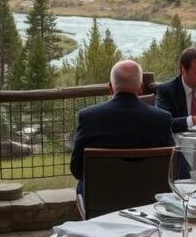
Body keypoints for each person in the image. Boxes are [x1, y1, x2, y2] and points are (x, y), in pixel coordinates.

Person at [70, 60, 174, 211]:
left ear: (110, 88)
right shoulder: (161, 119)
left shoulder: (88, 117)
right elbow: (175, 167)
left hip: (100, 205)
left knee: (81, 184)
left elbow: (77, 169)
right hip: (148, 205)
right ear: (140, 88)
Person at [155, 47, 196, 133]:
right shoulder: (166, 91)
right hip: (179, 144)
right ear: (183, 70)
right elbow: (163, 123)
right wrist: (195, 119)